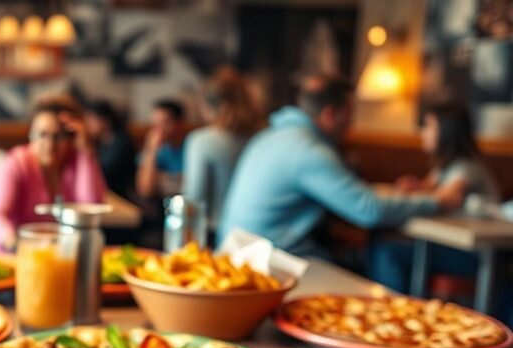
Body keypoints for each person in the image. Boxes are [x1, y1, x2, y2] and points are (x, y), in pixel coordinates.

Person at [216, 75, 463, 258]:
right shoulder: (307, 150)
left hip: (238, 252)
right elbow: (369, 210)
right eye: (349, 115)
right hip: (268, 262)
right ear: (329, 115)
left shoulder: (273, 135)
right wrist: (439, 202)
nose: (351, 125)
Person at [370, 100, 502, 293]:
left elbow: (447, 198)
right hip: (452, 246)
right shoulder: (443, 168)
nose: (423, 132)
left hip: (478, 256)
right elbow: (429, 188)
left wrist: (417, 191)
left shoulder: (467, 167)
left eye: (429, 126)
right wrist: (416, 187)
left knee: (389, 252)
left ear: (447, 132)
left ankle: (395, 310)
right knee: (380, 240)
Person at [0, 95, 106, 252]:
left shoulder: (75, 161)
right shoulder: (16, 162)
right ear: (31, 134)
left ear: (71, 138)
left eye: (58, 136)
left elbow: (91, 207)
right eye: (42, 134)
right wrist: (16, 243)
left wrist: (85, 149)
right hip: (9, 255)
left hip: (58, 256)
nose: (49, 144)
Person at [182, 67, 263, 228]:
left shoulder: (201, 141)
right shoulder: (262, 137)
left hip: (216, 234)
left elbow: (194, 200)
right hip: (256, 231)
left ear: (206, 106)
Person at [135, 99, 187, 201]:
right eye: (155, 125)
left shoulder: (191, 148)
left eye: (165, 123)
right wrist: (152, 151)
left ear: (180, 123)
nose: (160, 130)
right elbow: (145, 191)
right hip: (160, 207)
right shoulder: (152, 150)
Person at [85, 100, 136, 198]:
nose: (88, 125)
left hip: (120, 196)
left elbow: (104, 172)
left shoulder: (120, 143)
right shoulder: (102, 142)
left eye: (92, 120)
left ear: (105, 121)